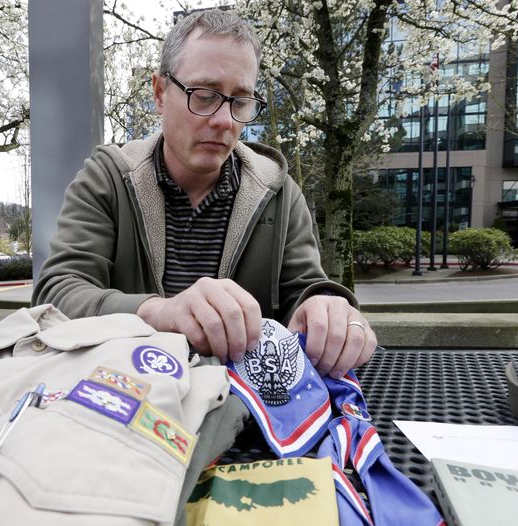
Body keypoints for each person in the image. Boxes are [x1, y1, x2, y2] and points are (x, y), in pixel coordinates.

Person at [32, 9, 377, 379]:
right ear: (160, 93)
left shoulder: (278, 192)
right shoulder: (108, 179)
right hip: (119, 396)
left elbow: (302, 290)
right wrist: (160, 312)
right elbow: (57, 293)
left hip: (246, 415)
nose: (225, 121)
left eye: (240, 100)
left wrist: (327, 310)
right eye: (205, 95)